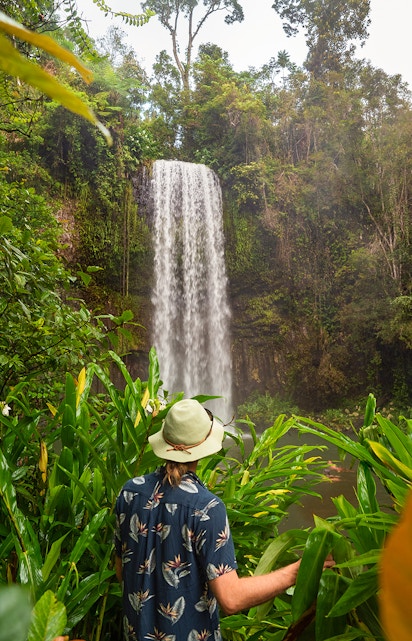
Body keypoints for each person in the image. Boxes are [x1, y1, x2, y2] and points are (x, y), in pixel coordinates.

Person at [114, 399, 333, 641]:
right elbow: (231, 598)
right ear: (205, 446)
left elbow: (122, 571)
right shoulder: (207, 508)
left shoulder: (129, 493)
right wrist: (296, 572)